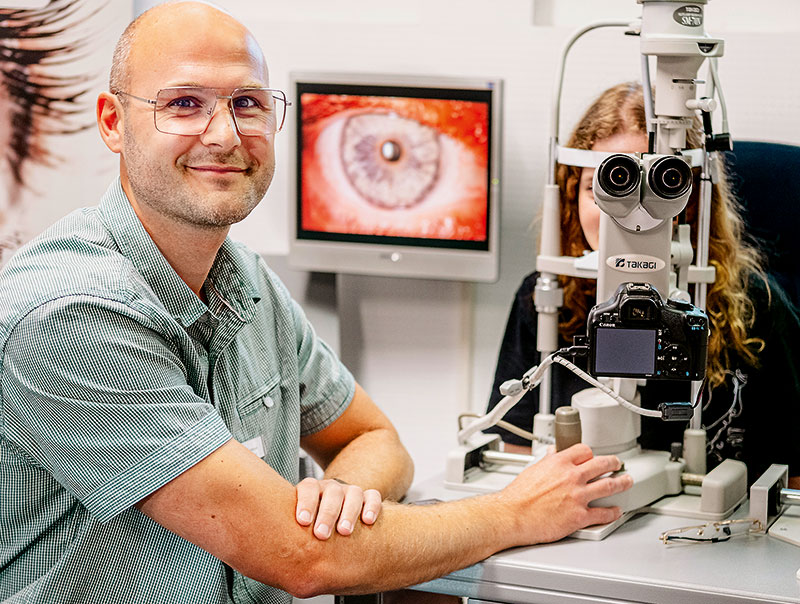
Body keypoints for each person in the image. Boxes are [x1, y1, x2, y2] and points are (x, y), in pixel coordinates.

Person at [0, 3, 633, 603]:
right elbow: (306, 560)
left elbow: (377, 439)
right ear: (113, 122)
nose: (224, 135)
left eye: (247, 104)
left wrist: (336, 502)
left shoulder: (247, 284)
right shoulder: (63, 315)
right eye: (184, 104)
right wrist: (516, 512)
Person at [486, 82, 800, 488]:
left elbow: (794, 474)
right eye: (604, 187)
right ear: (570, 198)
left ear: (690, 201)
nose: (630, 214)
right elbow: (511, 447)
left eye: (654, 192)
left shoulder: (756, 305)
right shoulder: (545, 296)